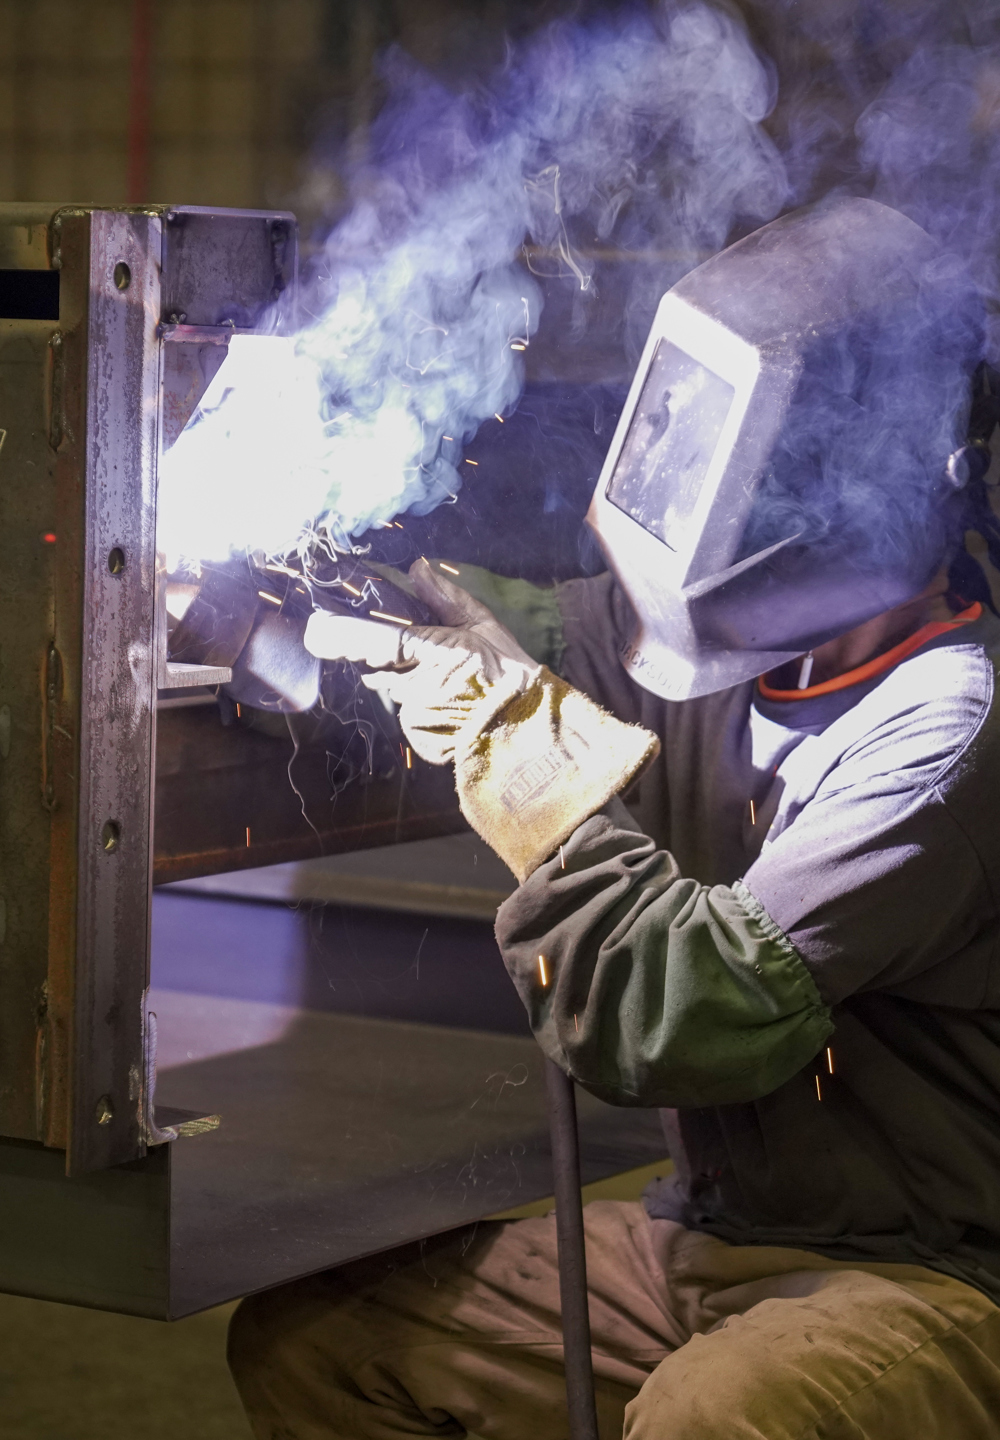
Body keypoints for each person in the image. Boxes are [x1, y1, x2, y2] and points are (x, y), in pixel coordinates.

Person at [227, 199, 1000, 1438]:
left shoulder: (945, 734)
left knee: (720, 1416)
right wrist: (302, 600)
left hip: (932, 1276)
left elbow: (686, 1012)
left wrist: (522, 752)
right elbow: (511, 641)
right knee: (326, 1341)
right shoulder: (729, 642)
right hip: (709, 1247)